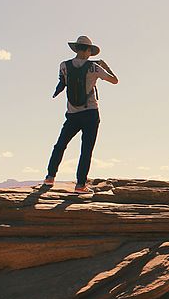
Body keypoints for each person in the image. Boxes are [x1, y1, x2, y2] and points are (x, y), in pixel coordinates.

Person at [43, 35, 118, 193]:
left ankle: (50, 177)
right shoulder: (94, 67)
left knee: (60, 145)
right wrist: (105, 66)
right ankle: (80, 185)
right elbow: (114, 80)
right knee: (86, 149)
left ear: (76, 49)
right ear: (89, 51)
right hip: (90, 113)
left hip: (72, 113)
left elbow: (62, 82)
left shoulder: (64, 65)